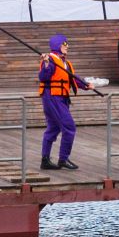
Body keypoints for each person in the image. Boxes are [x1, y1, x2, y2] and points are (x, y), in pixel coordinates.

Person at [37, 34, 80, 171]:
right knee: (69, 127)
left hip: (60, 98)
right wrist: (46, 64)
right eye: (65, 44)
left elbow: (73, 79)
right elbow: (43, 76)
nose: (67, 47)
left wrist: (87, 85)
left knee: (53, 129)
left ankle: (45, 160)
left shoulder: (65, 62)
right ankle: (63, 159)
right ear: (58, 46)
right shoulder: (50, 60)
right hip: (53, 97)